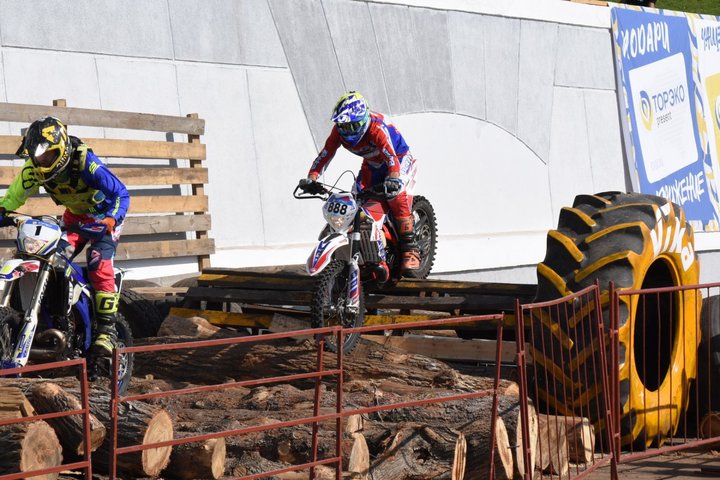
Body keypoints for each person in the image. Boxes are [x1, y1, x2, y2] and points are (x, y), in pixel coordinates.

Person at [0, 116, 130, 356]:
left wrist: (112, 219)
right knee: (50, 258)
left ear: (60, 149)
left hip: (103, 221)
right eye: (38, 157)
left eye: (47, 155)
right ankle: (57, 317)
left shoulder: (85, 163)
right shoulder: (33, 169)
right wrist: (2, 211)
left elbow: (121, 193)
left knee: (98, 262)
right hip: (75, 220)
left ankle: (106, 330)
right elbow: (11, 199)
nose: (42, 161)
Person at [299, 91, 420, 277]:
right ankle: (365, 250)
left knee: (395, 195)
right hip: (372, 164)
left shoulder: (376, 128)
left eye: (352, 126)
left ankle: (410, 248)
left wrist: (394, 177)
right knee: (356, 202)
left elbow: (391, 156)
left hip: (399, 159)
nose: (347, 131)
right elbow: (325, 153)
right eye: (343, 126)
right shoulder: (338, 132)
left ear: (363, 120)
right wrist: (312, 178)